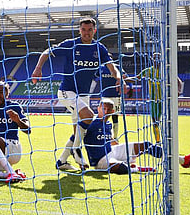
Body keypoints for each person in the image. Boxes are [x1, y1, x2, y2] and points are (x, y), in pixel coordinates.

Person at [31, 17, 124, 171]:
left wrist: (119, 78)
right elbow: (47, 51)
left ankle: (62, 161)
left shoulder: (99, 48)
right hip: (67, 91)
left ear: (94, 30)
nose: (86, 33)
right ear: (79, 30)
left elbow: (111, 66)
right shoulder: (71, 44)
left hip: (84, 95)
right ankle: (76, 151)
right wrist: (38, 68)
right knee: (88, 116)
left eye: (89, 30)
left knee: (80, 131)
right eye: (83, 30)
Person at [83, 98, 190, 173]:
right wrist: (81, 161)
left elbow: (111, 140)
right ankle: (137, 169)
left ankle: (183, 160)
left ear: (113, 111)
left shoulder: (108, 124)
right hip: (100, 160)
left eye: (109, 109)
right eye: (103, 108)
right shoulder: (90, 123)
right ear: (98, 108)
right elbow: (75, 140)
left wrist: (125, 150)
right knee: (121, 168)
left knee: (145, 145)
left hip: (111, 150)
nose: (106, 111)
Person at [132, 52, 184, 143]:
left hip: (165, 101)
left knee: (167, 121)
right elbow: (136, 79)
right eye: (155, 58)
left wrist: (179, 91)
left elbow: (178, 81)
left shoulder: (166, 71)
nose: (156, 60)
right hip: (154, 101)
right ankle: (158, 141)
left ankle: (169, 139)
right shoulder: (148, 71)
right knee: (155, 121)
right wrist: (123, 80)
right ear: (152, 60)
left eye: (158, 58)